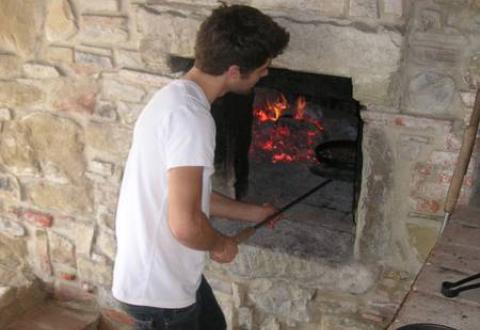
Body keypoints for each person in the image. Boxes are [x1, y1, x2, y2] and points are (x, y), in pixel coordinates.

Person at [112, 4, 289, 330]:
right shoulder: (192, 120)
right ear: (235, 71)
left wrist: (254, 214)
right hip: (158, 295)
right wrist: (221, 244)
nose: (266, 73)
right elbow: (186, 223)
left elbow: (189, 199)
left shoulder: (175, 99)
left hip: (162, 276)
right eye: (263, 68)